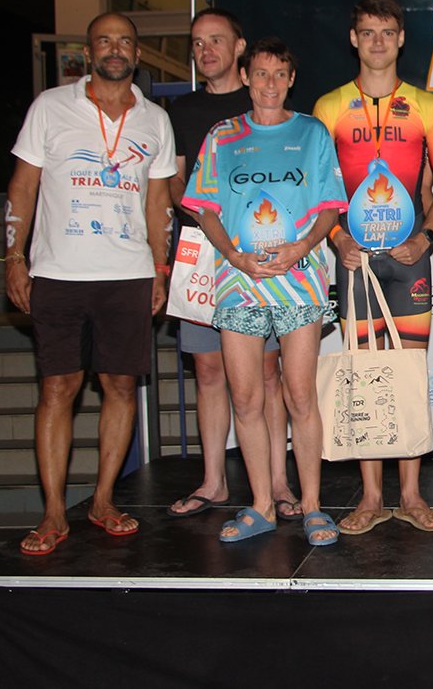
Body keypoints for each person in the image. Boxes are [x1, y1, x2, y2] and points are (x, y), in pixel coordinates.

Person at [3, 12, 175, 554]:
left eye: (124, 42)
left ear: (137, 55)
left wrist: (161, 268)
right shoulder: (49, 107)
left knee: (121, 387)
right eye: (105, 40)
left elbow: (159, 203)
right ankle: (54, 512)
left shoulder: (155, 120)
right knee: (58, 388)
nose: (115, 49)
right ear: (89, 51)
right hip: (58, 272)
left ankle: (102, 500)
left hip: (128, 275)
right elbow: (23, 186)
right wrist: (14, 256)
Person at [183, 37, 346, 543]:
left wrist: (302, 247)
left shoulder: (312, 132)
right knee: (247, 398)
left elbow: (330, 207)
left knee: (299, 395)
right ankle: (260, 507)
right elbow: (203, 208)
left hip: (300, 282)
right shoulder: (222, 136)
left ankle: (313, 506)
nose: (270, 83)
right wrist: (233, 256)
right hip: (239, 284)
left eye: (280, 74)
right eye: (260, 73)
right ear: (245, 77)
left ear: (291, 80)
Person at [314, 0, 433, 534]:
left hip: (409, 260)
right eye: (368, 32)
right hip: (355, 261)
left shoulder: (427, 106)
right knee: (363, 372)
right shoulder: (329, 107)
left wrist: (427, 239)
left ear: (401, 39)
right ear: (354, 39)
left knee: (410, 374)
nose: (378, 42)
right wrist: (336, 238)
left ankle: (412, 495)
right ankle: (371, 497)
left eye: (387, 32)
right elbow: (321, 191)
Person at [166, 8, 299, 520]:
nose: (206, 51)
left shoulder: (267, 102)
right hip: (203, 249)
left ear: (240, 50)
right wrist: (211, 224)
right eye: (198, 42)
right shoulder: (182, 110)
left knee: (267, 373)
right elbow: (175, 182)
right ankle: (214, 480)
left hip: (259, 255)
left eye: (216, 40)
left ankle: (279, 483)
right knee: (207, 369)